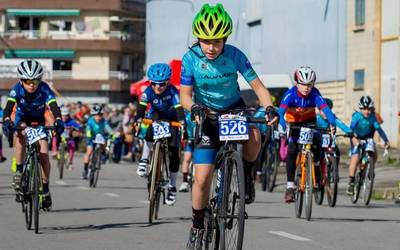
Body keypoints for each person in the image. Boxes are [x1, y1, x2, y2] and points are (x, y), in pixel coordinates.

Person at [179, 4, 278, 249]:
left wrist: (269, 108)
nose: (211, 48)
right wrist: (193, 108)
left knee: (254, 137)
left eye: (217, 42)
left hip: (233, 109)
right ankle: (197, 224)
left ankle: (245, 172)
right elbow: (184, 96)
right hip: (206, 114)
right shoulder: (190, 59)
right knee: (202, 179)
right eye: (206, 41)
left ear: (225, 39)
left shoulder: (235, 55)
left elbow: (258, 88)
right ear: (198, 39)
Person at [2, 59, 64, 209]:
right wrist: (6, 120)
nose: (32, 84)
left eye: (35, 80)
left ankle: (45, 188)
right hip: (22, 119)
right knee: (20, 135)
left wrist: (58, 120)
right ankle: (18, 171)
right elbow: (8, 108)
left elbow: (54, 107)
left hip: (38, 120)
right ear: (22, 80)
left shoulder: (44, 89)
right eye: (28, 81)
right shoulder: (17, 89)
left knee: (43, 154)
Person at [278, 66, 337, 203]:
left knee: (317, 144)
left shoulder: (315, 94)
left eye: (309, 84)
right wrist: (282, 125)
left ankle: (316, 169)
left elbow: (326, 111)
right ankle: (290, 186)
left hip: (309, 123)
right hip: (293, 125)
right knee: (292, 150)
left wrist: (332, 123)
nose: (306, 87)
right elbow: (280, 113)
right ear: (297, 83)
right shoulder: (290, 94)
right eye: (303, 84)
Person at [134, 63, 185, 206]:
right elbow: (141, 107)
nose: (157, 87)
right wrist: (138, 119)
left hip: (172, 119)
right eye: (154, 83)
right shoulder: (148, 91)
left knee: (174, 152)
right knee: (149, 129)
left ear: (167, 82)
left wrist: (182, 122)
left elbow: (179, 109)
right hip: (156, 116)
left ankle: (172, 187)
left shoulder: (173, 92)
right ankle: (144, 160)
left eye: (161, 84)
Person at [346, 96, 390, 195]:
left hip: (367, 138)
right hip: (356, 137)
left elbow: (379, 130)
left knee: (374, 153)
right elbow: (350, 129)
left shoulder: (373, 117)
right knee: (355, 157)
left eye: (369, 109)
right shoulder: (356, 116)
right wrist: (353, 138)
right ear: (360, 109)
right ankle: (351, 183)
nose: (367, 111)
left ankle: (370, 167)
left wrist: (386, 140)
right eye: (364, 109)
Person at [82, 104, 113, 179]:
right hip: (92, 137)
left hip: (100, 137)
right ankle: (85, 169)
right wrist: (88, 132)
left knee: (104, 143)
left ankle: (102, 155)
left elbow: (108, 128)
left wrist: (112, 134)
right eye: (96, 115)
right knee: (89, 153)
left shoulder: (104, 121)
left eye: (100, 115)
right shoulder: (90, 121)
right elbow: (88, 128)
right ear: (93, 115)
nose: (98, 117)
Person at [179, 111, 195, 192]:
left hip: (200, 139)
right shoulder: (187, 114)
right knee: (187, 158)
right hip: (190, 138)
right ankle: (184, 181)